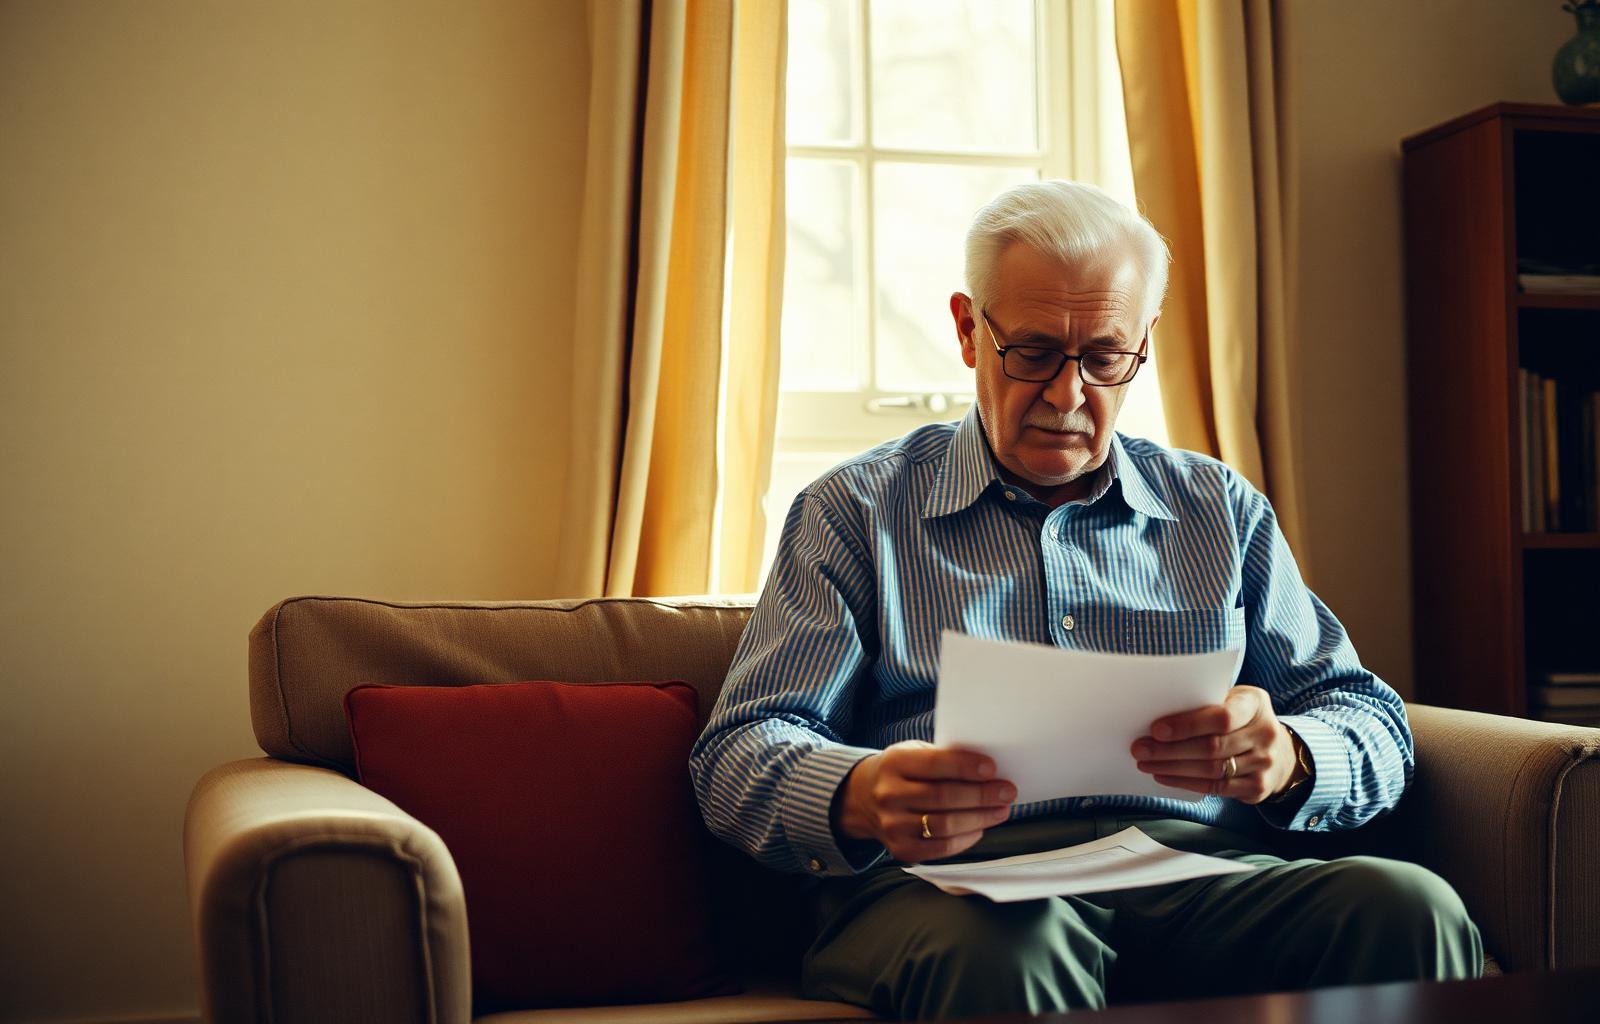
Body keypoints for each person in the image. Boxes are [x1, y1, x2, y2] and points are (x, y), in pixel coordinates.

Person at [688, 180, 1481, 1020]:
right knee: (1015, 947)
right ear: (967, 330)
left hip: (1197, 875)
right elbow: (737, 752)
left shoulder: (1220, 510)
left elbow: (1367, 715)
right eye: (1032, 352)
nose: (1068, 396)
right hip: (951, 889)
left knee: (1410, 907)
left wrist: (1289, 754)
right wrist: (862, 789)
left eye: (1104, 358)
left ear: (1142, 346)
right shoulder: (854, 513)